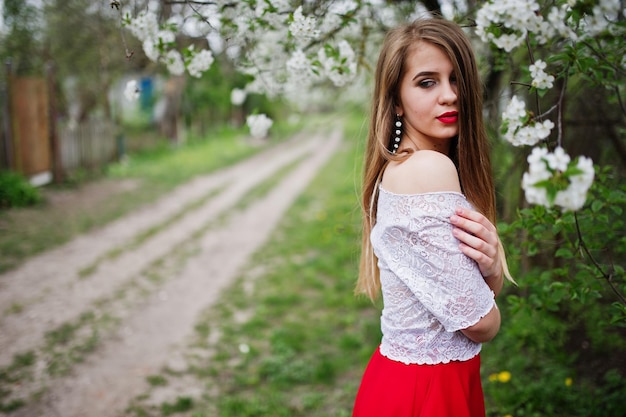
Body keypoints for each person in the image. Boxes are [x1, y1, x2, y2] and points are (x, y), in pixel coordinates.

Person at [352, 17, 514, 417]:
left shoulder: (407, 166)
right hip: (426, 394)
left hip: (414, 384)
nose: (450, 95)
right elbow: (479, 323)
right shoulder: (426, 169)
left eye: (457, 79)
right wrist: (492, 278)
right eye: (427, 82)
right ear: (395, 101)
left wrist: (489, 276)